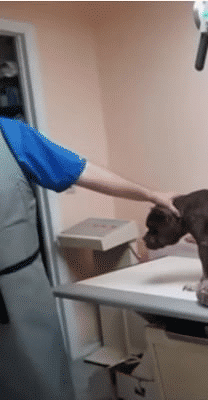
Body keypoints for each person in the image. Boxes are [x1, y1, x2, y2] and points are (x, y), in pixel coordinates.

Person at [0, 116, 177, 400]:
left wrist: (150, 194)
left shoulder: (10, 135)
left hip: (19, 291)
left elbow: (80, 170)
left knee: (41, 378)